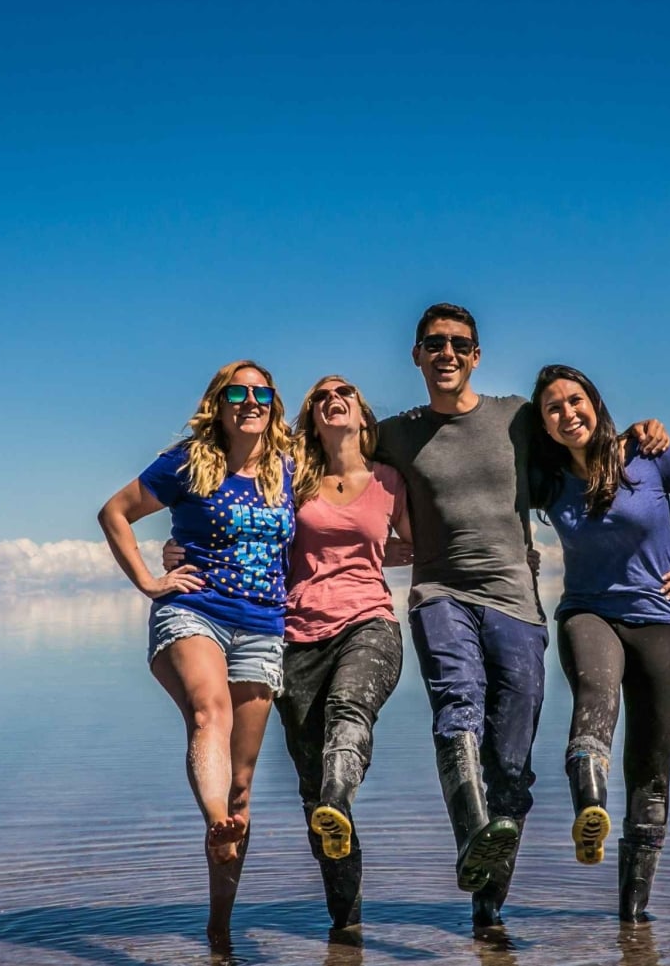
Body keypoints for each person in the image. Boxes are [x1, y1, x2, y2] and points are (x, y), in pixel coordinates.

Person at [373, 304, 669, 930]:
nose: (447, 353)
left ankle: (487, 909)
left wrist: (640, 433)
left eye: (460, 344)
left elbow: (580, 433)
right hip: (439, 593)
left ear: (475, 356)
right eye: (434, 343)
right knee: (459, 705)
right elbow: (328, 463)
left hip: (518, 605)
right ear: (417, 355)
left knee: (512, 762)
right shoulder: (395, 433)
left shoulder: (516, 418)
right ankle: (469, 838)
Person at [97, 360, 296, 948]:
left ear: (274, 405)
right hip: (196, 611)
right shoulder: (188, 462)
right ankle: (214, 820)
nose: (252, 400)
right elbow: (114, 513)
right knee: (210, 711)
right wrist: (148, 581)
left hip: (262, 625)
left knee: (243, 784)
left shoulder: (290, 469)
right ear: (219, 402)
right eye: (239, 392)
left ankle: (219, 930)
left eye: (263, 393)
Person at [528, 363, 670, 923]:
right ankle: (589, 811)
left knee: (651, 770)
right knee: (596, 695)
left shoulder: (647, 453)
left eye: (575, 401)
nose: (567, 413)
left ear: (594, 403)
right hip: (589, 613)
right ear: (542, 424)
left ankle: (632, 921)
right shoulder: (545, 479)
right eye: (553, 407)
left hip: (664, 620)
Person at [278, 375, 412, 933]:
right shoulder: (290, 478)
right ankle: (346, 925)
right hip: (296, 636)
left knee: (349, 713)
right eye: (321, 397)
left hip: (369, 623)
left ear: (361, 414)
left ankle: (339, 791)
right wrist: (185, 548)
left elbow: (424, 546)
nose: (333, 399)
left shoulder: (388, 480)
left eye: (345, 393)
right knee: (313, 792)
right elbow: (251, 534)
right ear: (311, 418)